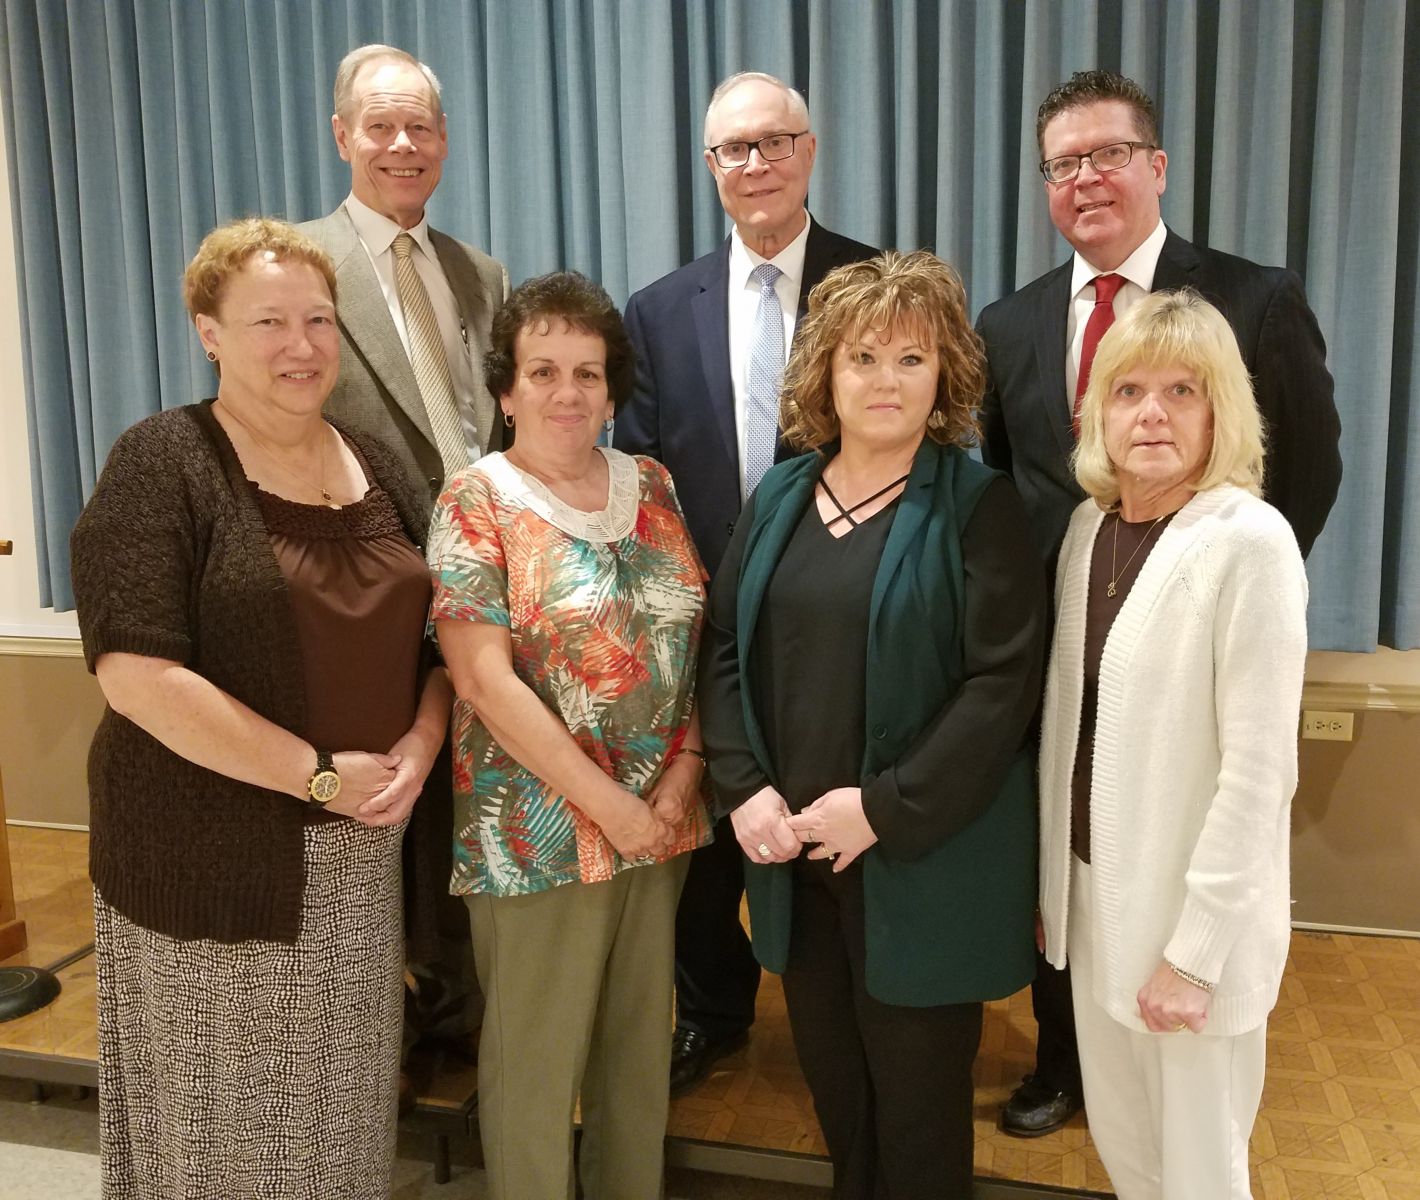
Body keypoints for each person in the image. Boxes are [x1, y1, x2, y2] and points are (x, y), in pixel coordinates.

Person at [976, 67, 1342, 1137]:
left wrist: (1212, 603)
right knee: (1080, 855)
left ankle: (1181, 1004)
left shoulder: (1251, 296)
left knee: (1178, 848)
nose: (1084, 178)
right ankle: (1066, 1060)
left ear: (1155, 167)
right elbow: (1011, 486)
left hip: (1197, 647)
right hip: (1060, 648)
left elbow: (1305, 470)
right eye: (1062, 163)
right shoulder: (1010, 322)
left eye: (1106, 154)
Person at [69, 218, 452, 1198]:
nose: (301, 345)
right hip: (206, 862)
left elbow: (437, 640)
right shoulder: (162, 462)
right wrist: (317, 773)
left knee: (340, 1116)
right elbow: (136, 675)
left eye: (318, 319)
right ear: (208, 331)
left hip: (360, 852)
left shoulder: (379, 461)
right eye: (268, 321)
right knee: (227, 1130)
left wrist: (417, 741)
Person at [699, 251, 1045, 1199]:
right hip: (796, 859)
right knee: (838, 1092)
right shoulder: (778, 497)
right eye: (862, 357)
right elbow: (723, 645)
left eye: (910, 359)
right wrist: (745, 790)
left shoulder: (980, 507)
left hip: (916, 861)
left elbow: (1001, 687)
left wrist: (885, 809)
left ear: (945, 379)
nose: (884, 380)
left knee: (921, 1110)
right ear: (825, 373)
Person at [614, 70, 878, 1095]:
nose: (756, 164)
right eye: (735, 149)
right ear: (711, 167)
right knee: (707, 842)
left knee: (830, 822)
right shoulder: (656, 308)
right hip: (705, 631)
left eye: (775, 142)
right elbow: (642, 476)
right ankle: (716, 1011)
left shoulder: (879, 282)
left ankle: (847, 1013)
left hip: (842, 624)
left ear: (810, 151)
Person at [428, 272, 710, 1200]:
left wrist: (686, 772)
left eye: (588, 372)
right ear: (505, 389)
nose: (567, 392)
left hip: (660, 828)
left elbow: (690, 638)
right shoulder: (476, 498)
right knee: (536, 1075)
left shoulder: (654, 483)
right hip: (537, 841)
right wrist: (610, 809)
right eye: (542, 370)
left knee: (638, 1063)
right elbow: (481, 678)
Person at [1038, 288, 1308, 1197]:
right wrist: (1053, 890)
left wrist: (1194, 954)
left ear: (1220, 410)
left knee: (1198, 1172)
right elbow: (1071, 737)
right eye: (1128, 391)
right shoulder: (1089, 532)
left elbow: (1260, 774)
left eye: (1182, 391)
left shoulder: (1250, 542)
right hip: (1096, 909)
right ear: (1098, 412)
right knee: (1129, 1155)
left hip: (1191, 934)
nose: (1151, 412)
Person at [300, 41, 509, 1071]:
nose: (402, 144)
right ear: (341, 135)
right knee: (377, 806)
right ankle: (368, 1033)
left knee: (462, 798)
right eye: (380, 124)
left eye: (421, 126)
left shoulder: (482, 273)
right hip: (358, 592)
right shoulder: (296, 267)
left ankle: (460, 1003)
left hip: (480, 589)